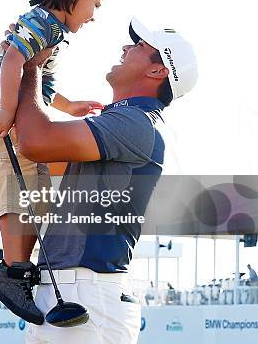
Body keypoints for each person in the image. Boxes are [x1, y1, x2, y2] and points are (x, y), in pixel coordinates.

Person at [15, 18, 197, 343]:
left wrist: (30, 66)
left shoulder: (136, 122)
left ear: (158, 72)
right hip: (72, 293)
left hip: (86, 296)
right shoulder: (128, 120)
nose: (126, 47)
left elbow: (34, 141)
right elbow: (34, 148)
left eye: (139, 46)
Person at [0, 0, 104, 325]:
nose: (95, 14)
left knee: (35, 197)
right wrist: (6, 109)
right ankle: (13, 272)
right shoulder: (41, 23)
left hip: (18, 119)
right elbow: (14, 61)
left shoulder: (53, 32)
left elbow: (42, 82)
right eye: (94, 3)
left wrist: (68, 106)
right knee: (14, 195)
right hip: (3, 120)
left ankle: (19, 270)